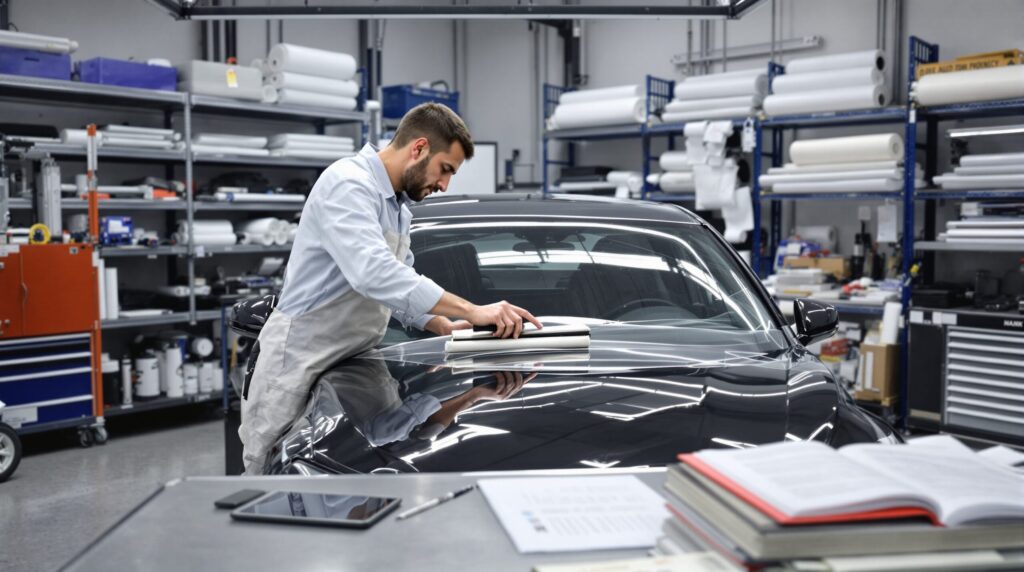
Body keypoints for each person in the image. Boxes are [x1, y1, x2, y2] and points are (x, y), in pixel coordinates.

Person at [239, 102, 541, 474]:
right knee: (272, 470)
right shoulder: (348, 184)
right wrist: (473, 311)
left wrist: (440, 326)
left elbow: (398, 281)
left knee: (373, 468)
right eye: (445, 169)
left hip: (358, 364)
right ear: (418, 148)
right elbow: (374, 273)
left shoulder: (398, 208)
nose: (444, 185)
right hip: (299, 360)